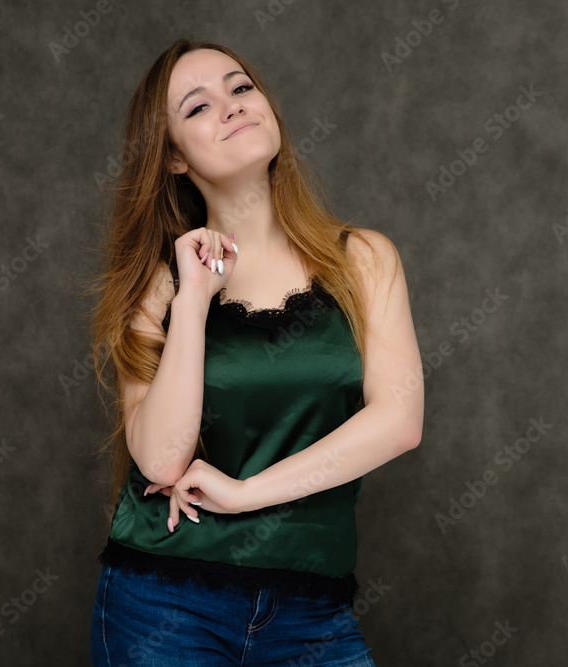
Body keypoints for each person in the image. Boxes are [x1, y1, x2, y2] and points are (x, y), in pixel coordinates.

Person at [86, 37, 424, 666]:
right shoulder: (158, 284)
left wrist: (246, 494)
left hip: (313, 611)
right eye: (198, 107)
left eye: (240, 88)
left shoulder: (364, 259)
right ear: (174, 160)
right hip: (166, 603)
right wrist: (191, 301)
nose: (233, 106)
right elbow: (161, 460)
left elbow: (398, 422)